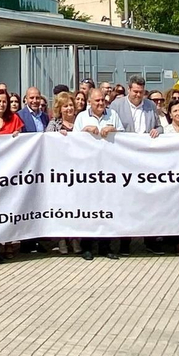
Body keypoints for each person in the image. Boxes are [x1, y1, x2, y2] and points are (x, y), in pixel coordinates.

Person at [74, 89, 120, 260]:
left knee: (107, 209)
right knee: (89, 210)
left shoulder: (113, 114)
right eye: (97, 101)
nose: (101, 103)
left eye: (103, 100)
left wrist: (114, 130)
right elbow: (72, 143)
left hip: (108, 170)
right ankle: (87, 246)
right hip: (88, 171)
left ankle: (105, 246)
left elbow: (125, 138)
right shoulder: (81, 118)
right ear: (90, 102)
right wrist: (84, 131)